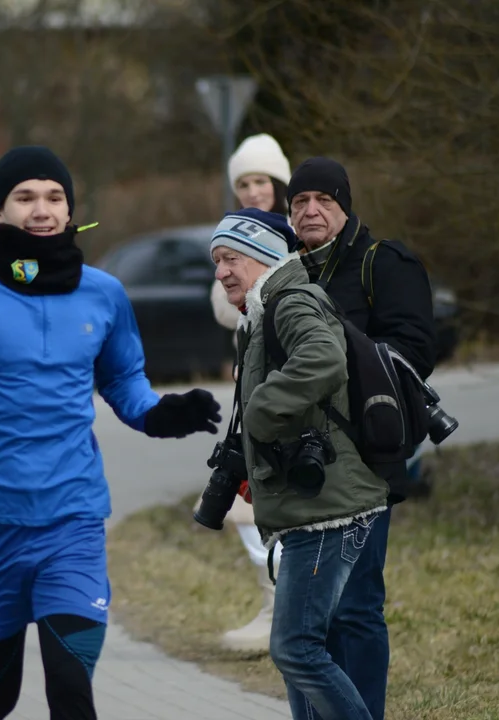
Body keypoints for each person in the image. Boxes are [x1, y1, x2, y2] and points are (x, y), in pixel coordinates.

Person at [0, 145, 224, 720]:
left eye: (55, 197)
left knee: (69, 684)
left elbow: (125, 383)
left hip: (72, 518)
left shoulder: (104, 294)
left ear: (69, 211)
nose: (42, 209)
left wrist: (160, 414)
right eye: (26, 197)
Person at [208, 207, 390, 720]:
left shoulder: (290, 300)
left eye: (230, 258)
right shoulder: (265, 310)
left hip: (329, 507)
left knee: (296, 648)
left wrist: (262, 411)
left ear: (265, 256)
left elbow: (324, 357)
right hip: (314, 505)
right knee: (301, 652)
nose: (220, 272)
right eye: (216, 261)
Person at [286, 157, 437, 720]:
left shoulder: (384, 263)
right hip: (300, 465)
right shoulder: (288, 270)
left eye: (323, 199)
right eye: (299, 202)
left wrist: (338, 363)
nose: (311, 210)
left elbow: (416, 353)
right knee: (304, 619)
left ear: (345, 205)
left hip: (367, 462)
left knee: (354, 608)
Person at [210, 133, 293, 655]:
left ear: (279, 182)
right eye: (243, 182)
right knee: (243, 506)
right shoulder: (230, 236)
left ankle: (292, 614)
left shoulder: (303, 227)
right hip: (250, 383)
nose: (253, 190)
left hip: (290, 384)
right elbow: (223, 306)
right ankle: (275, 609)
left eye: (261, 180)